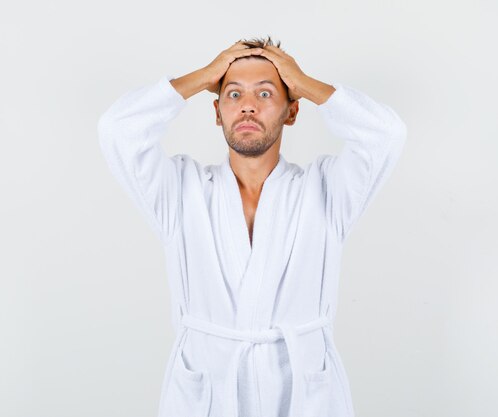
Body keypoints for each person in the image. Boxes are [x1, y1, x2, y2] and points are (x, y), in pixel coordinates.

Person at [97, 36, 407, 417]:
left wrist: (304, 82)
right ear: (216, 112)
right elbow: (117, 129)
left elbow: (386, 135)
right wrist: (203, 76)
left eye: (264, 94)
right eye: (232, 95)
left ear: (292, 111)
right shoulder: (181, 192)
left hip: (303, 392)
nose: (246, 106)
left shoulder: (325, 190)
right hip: (206, 390)